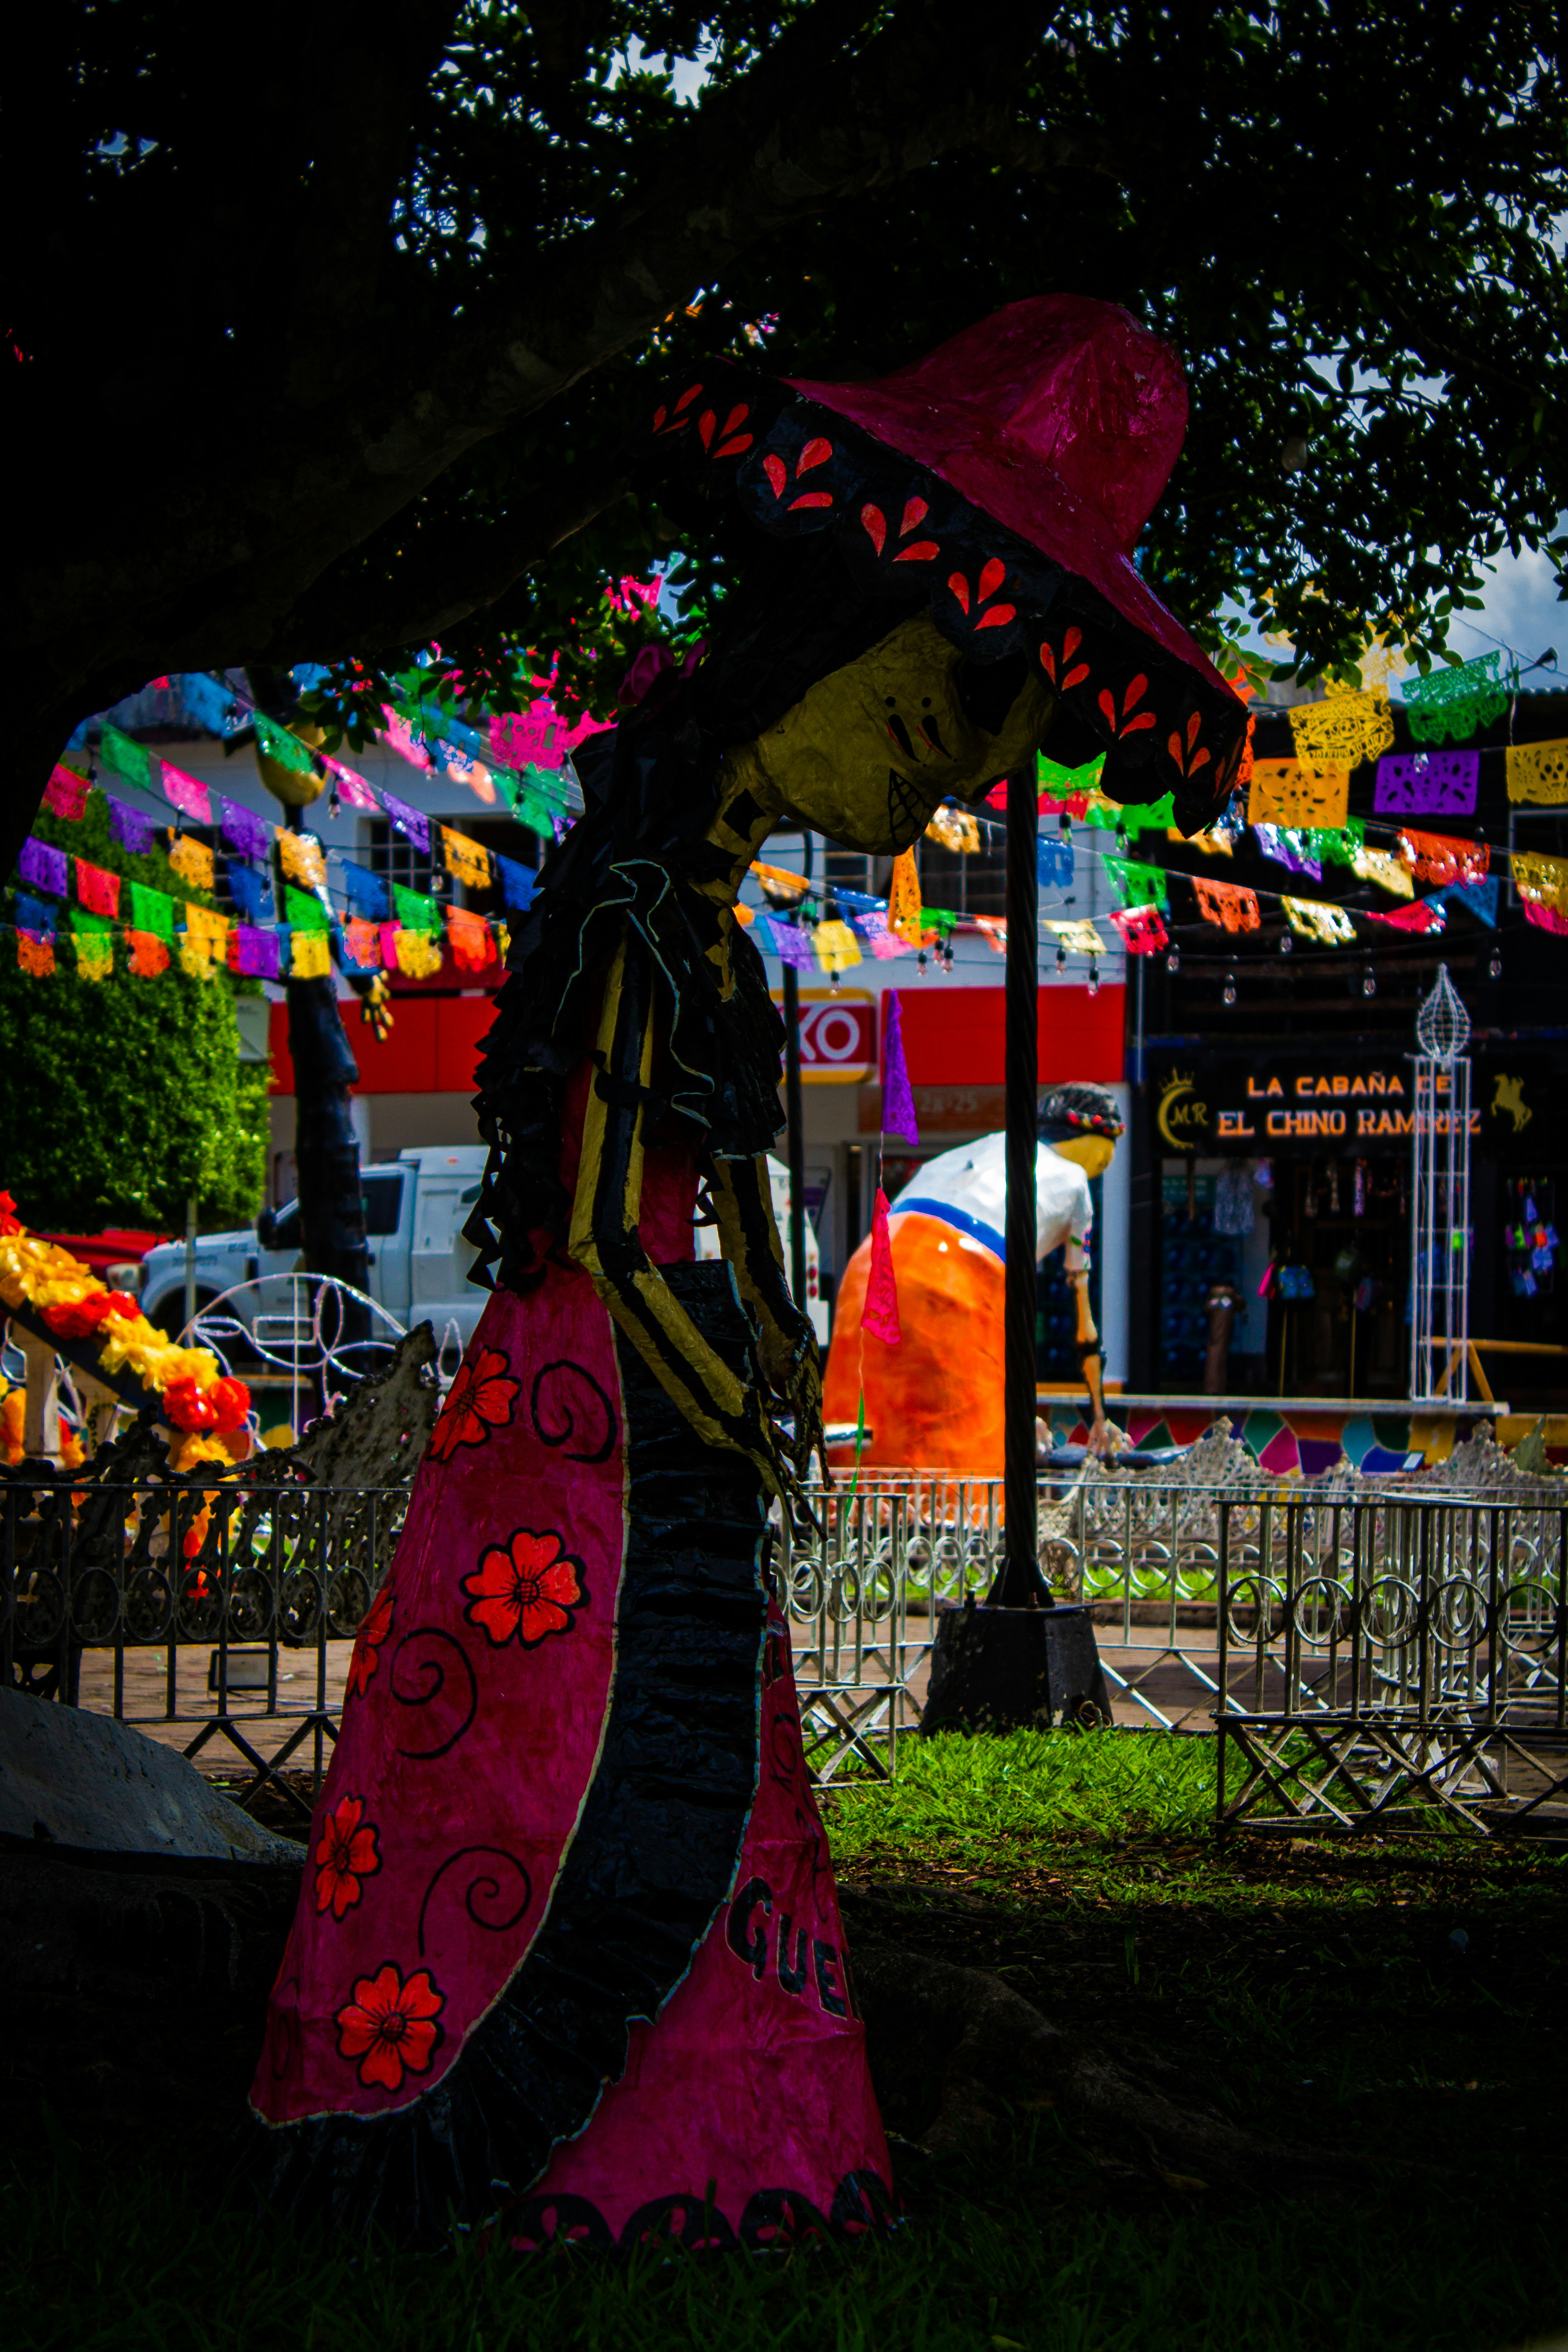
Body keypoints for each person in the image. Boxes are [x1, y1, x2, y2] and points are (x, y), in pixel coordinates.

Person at [239, 299, 1245, 2250]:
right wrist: (726, 1364)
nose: (936, 779)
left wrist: (754, 1348)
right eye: (946, 709)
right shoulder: (642, 898)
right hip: (597, 1405)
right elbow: (612, 1199)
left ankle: (706, 2152)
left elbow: (685, 1191)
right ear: (840, 636)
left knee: (649, 1725)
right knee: (569, 1750)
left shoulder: (700, 913)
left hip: (635, 1398)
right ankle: (540, 2145)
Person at [824, 1087, 1124, 1474]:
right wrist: (1100, 1418)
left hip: (869, 1267)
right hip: (959, 1273)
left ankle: (850, 1522)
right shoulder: (1075, 1181)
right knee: (962, 1464)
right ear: (1099, 1145)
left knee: (864, 1428)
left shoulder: (966, 1153)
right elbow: (1084, 1326)